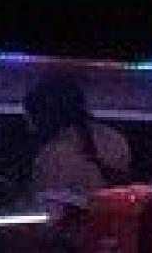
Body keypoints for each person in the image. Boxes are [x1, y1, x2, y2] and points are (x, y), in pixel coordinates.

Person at [22, 72, 130, 214]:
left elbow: (48, 217)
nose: (28, 126)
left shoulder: (53, 157)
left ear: (45, 115)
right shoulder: (116, 140)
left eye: (30, 117)